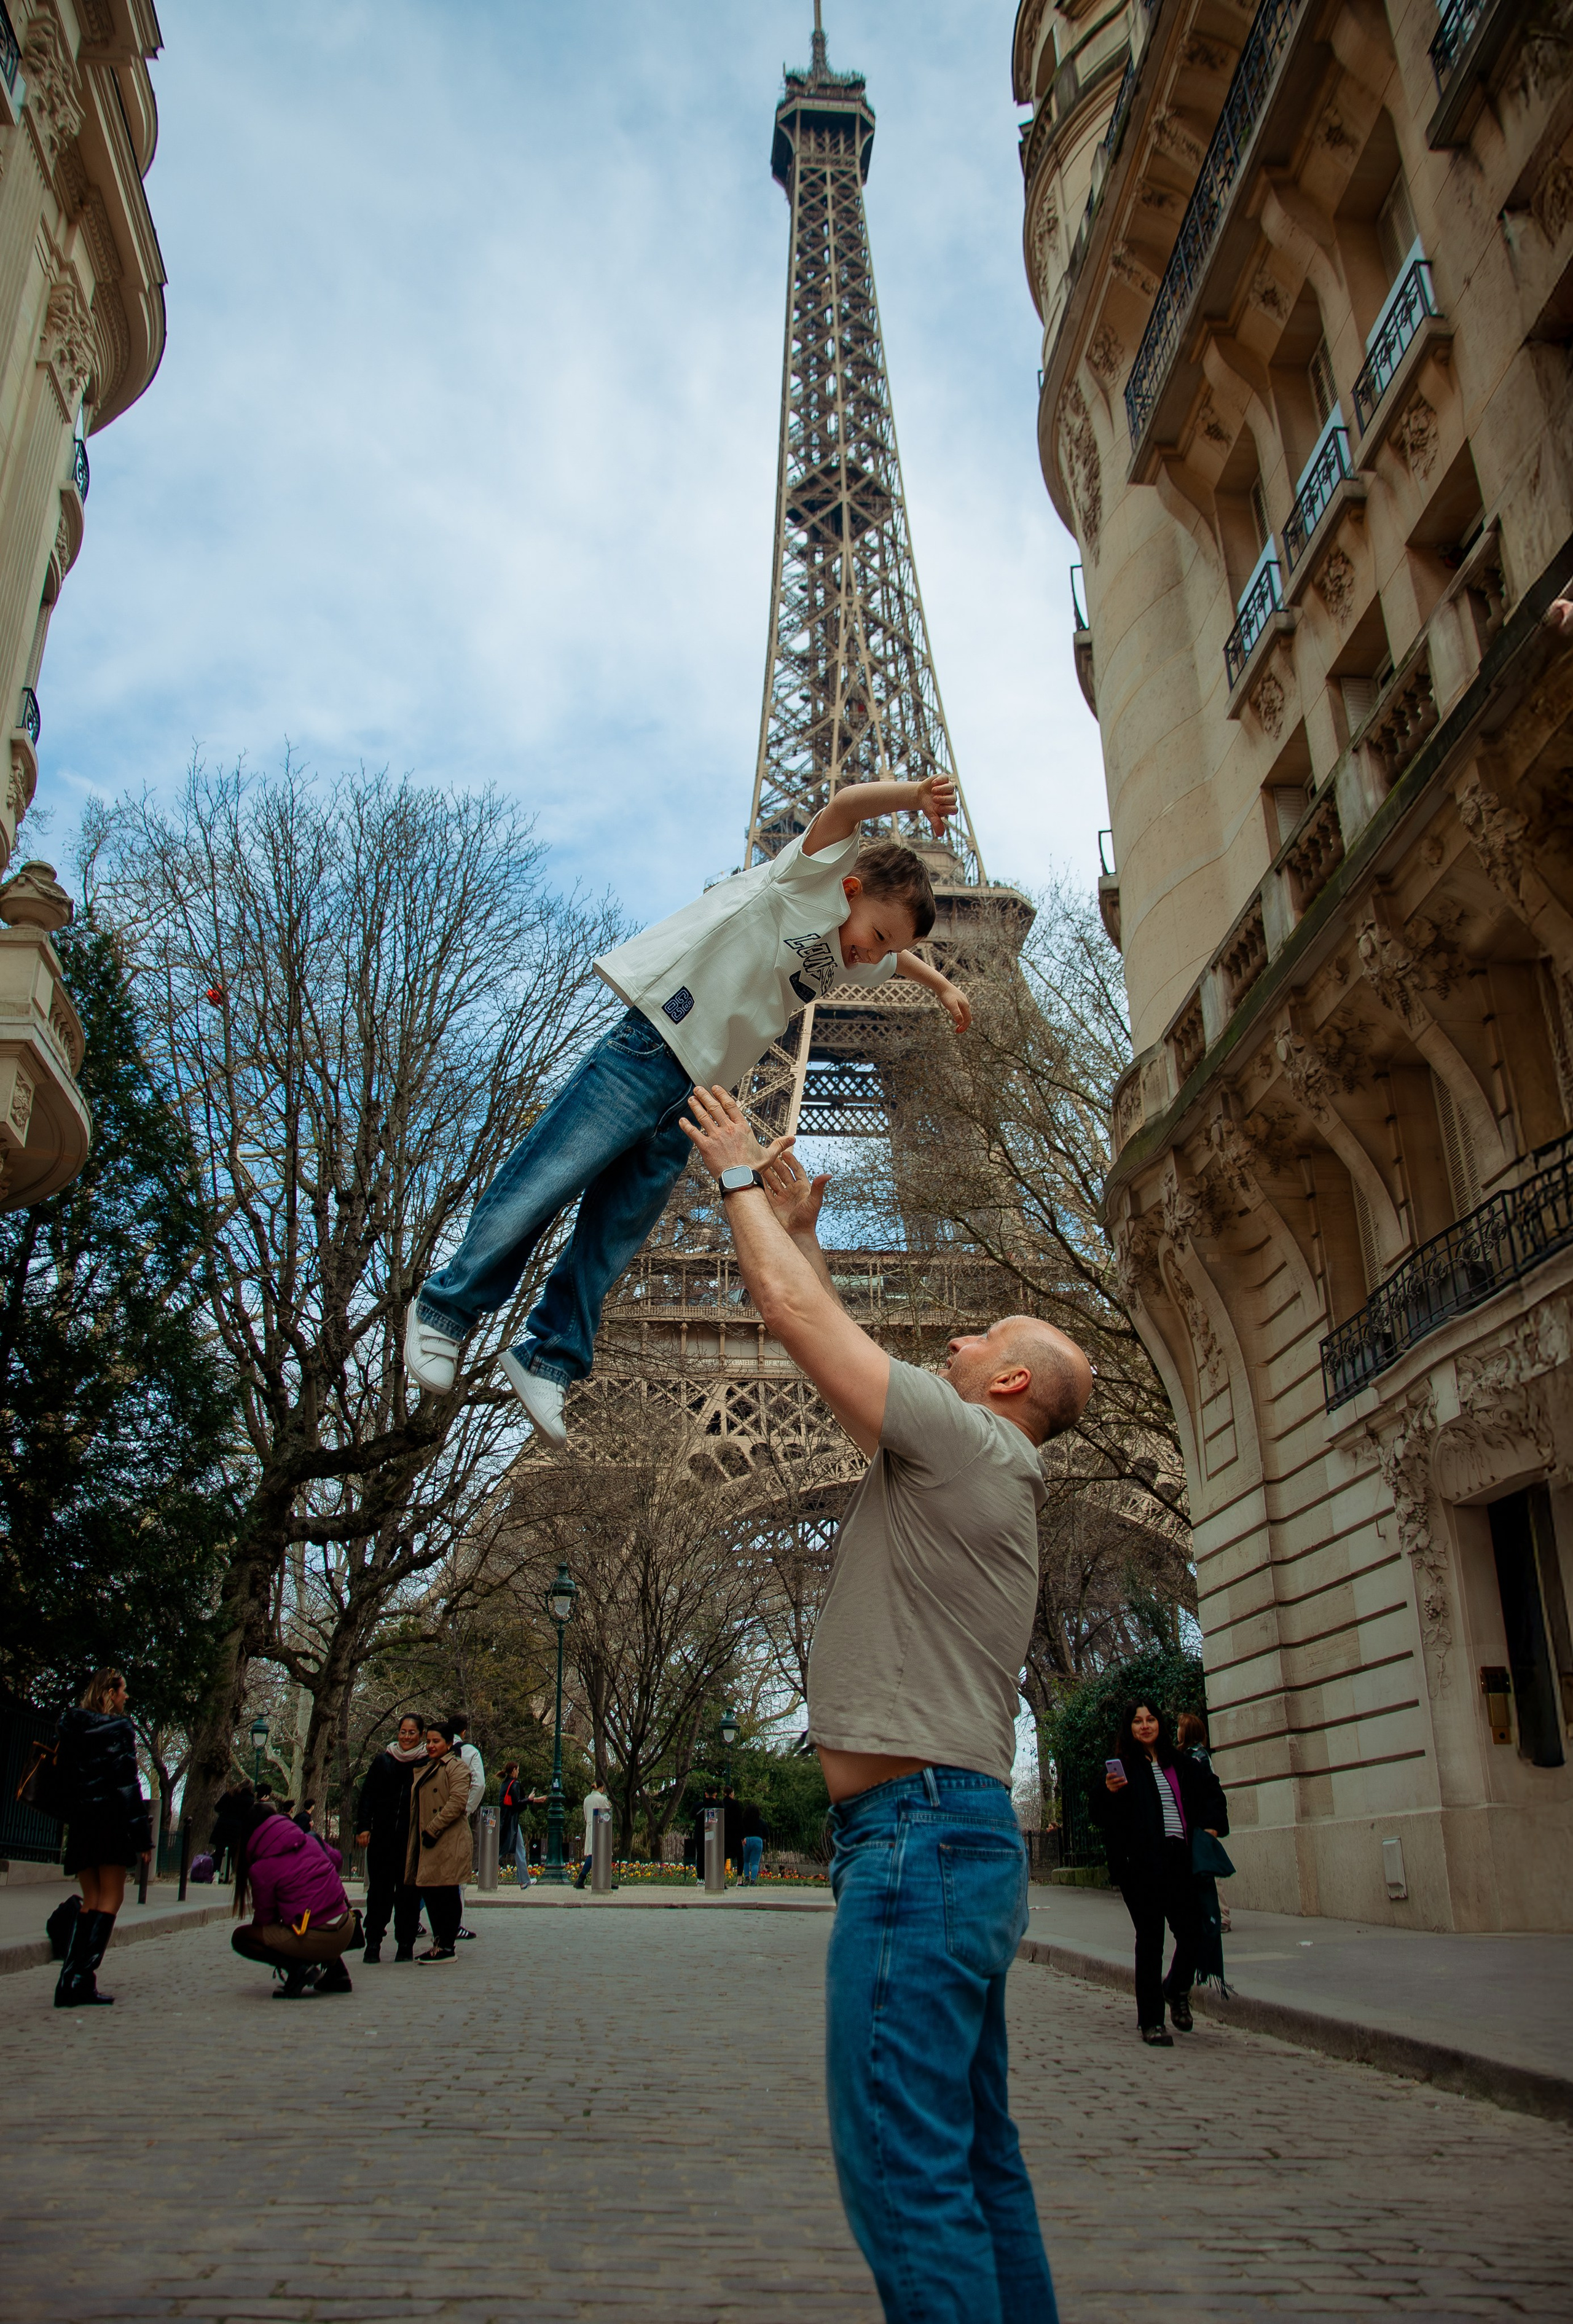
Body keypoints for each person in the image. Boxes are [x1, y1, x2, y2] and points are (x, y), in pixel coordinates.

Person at [681, 1087, 1094, 2324]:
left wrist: (736, 1179)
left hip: (916, 1842)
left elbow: (798, 1324)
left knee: (903, 2171)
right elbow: (839, 1346)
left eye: (980, 1335)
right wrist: (807, 1234)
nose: (953, 1338)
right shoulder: (970, 1462)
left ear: (1007, 1378)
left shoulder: (968, 1444)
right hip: (949, 1836)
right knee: (971, 2156)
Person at [403, 777, 971, 1450]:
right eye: (875, 935)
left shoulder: (851, 953)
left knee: (614, 1235)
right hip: (651, 1048)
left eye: (884, 947)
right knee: (546, 1180)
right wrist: (912, 796)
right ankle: (448, 1306)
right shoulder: (806, 882)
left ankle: (549, 1357)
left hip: (698, 1097)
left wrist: (940, 982)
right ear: (846, 888)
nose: (873, 953)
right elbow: (844, 806)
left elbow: (895, 959)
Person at [1092, 1702, 1230, 2046]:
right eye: (1138, 1721)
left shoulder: (1181, 1764)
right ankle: (1152, 2021)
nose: (1145, 1726)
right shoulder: (1123, 1768)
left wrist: (1212, 1827)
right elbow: (1101, 1816)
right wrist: (1109, 1792)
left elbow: (1213, 1793)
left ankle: (1176, 1988)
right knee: (1151, 1940)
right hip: (1141, 1865)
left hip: (1180, 1860)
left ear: (1160, 1724)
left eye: (1151, 1719)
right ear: (1130, 1728)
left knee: (1193, 1932)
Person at [51, 1667, 153, 2009]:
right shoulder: (119, 1729)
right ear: (110, 1693)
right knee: (111, 1897)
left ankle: (69, 1980)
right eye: (123, 1691)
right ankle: (81, 1978)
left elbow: (63, 1778)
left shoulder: (71, 1727)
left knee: (91, 1898)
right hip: (109, 1821)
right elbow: (127, 1783)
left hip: (82, 1822)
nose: (127, 1696)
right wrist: (142, 1838)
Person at [216, 1784, 358, 2000]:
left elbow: (265, 1921)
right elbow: (337, 1861)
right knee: (313, 1916)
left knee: (243, 1938)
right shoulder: (310, 1839)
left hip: (318, 1937)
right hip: (346, 1927)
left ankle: (299, 1969)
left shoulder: (262, 1867)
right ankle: (338, 1972)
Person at [355, 1713, 427, 1963]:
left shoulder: (426, 1763)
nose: (407, 1737)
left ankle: (405, 1944)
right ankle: (373, 1943)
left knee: (409, 1895)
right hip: (383, 1838)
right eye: (403, 1732)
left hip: (411, 1840)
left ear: (421, 1735)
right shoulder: (383, 1761)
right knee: (379, 1893)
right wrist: (364, 1827)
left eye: (412, 1733)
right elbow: (367, 1795)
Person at [406, 1721, 472, 1961]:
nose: (431, 1746)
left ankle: (447, 1946)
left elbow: (457, 1802)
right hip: (429, 1838)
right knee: (431, 1890)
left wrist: (433, 1828)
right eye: (429, 1741)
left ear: (449, 1743)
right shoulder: (428, 1766)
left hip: (447, 1838)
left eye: (436, 1741)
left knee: (446, 1891)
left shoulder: (456, 1767)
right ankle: (440, 1942)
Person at [1177, 1710, 1233, 1953]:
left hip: (1202, 1824)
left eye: (1180, 1728)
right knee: (1203, 1871)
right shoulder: (1190, 1756)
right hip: (1198, 1824)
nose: (1177, 1731)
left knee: (1209, 1871)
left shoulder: (1198, 1757)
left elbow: (1210, 1792)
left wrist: (1212, 1826)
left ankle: (1221, 1916)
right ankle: (1212, 1914)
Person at [450, 1712, 484, 1939]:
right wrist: (467, 1808)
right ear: (464, 1731)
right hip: (457, 1814)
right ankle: (455, 1924)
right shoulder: (470, 1752)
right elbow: (479, 1784)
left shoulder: (431, 1750)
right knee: (456, 1872)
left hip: (431, 1814)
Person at [573, 1780, 613, 1888]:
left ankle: (583, 1880)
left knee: (593, 1853)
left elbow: (586, 1817)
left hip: (590, 1826)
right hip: (601, 1829)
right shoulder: (602, 1799)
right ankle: (585, 1879)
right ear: (601, 1788)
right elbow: (607, 1815)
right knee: (600, 1854)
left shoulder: (587, 1799)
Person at [739, 1797, 766, 1885]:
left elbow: (740, 1830)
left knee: (746, 1861)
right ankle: (753, 1880)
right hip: (758, 1841)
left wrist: (742, 1838)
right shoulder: (761, 1822)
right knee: (755, 1863)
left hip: (746, 1840)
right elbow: (767, 1833)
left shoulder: (744, 1821)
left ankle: (747, 1877)